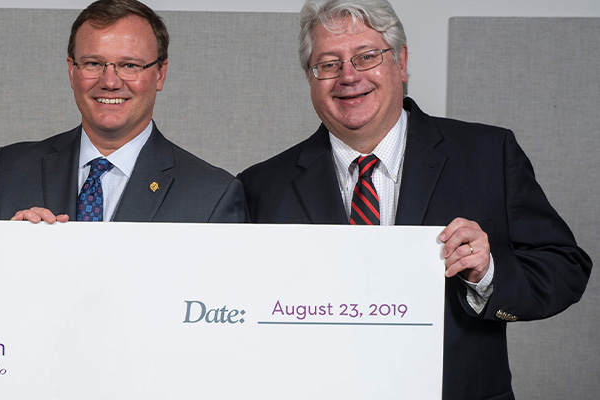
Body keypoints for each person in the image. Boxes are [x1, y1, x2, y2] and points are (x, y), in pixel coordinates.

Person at [237, 0, 590, 398]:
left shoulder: (488, 154)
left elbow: (565, 269)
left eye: (366, 56)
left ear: (401, 62)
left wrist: (488, 273)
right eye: (329, 64)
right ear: (310, 77)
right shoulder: (260, 186)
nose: (348, 76)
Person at [0, 0, 245, 223]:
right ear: (72, 71)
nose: (110, 82)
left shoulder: (212, 195)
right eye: (93, 63)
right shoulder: (9, 171)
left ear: (160, 74)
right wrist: (1, 248)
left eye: (129, 65)